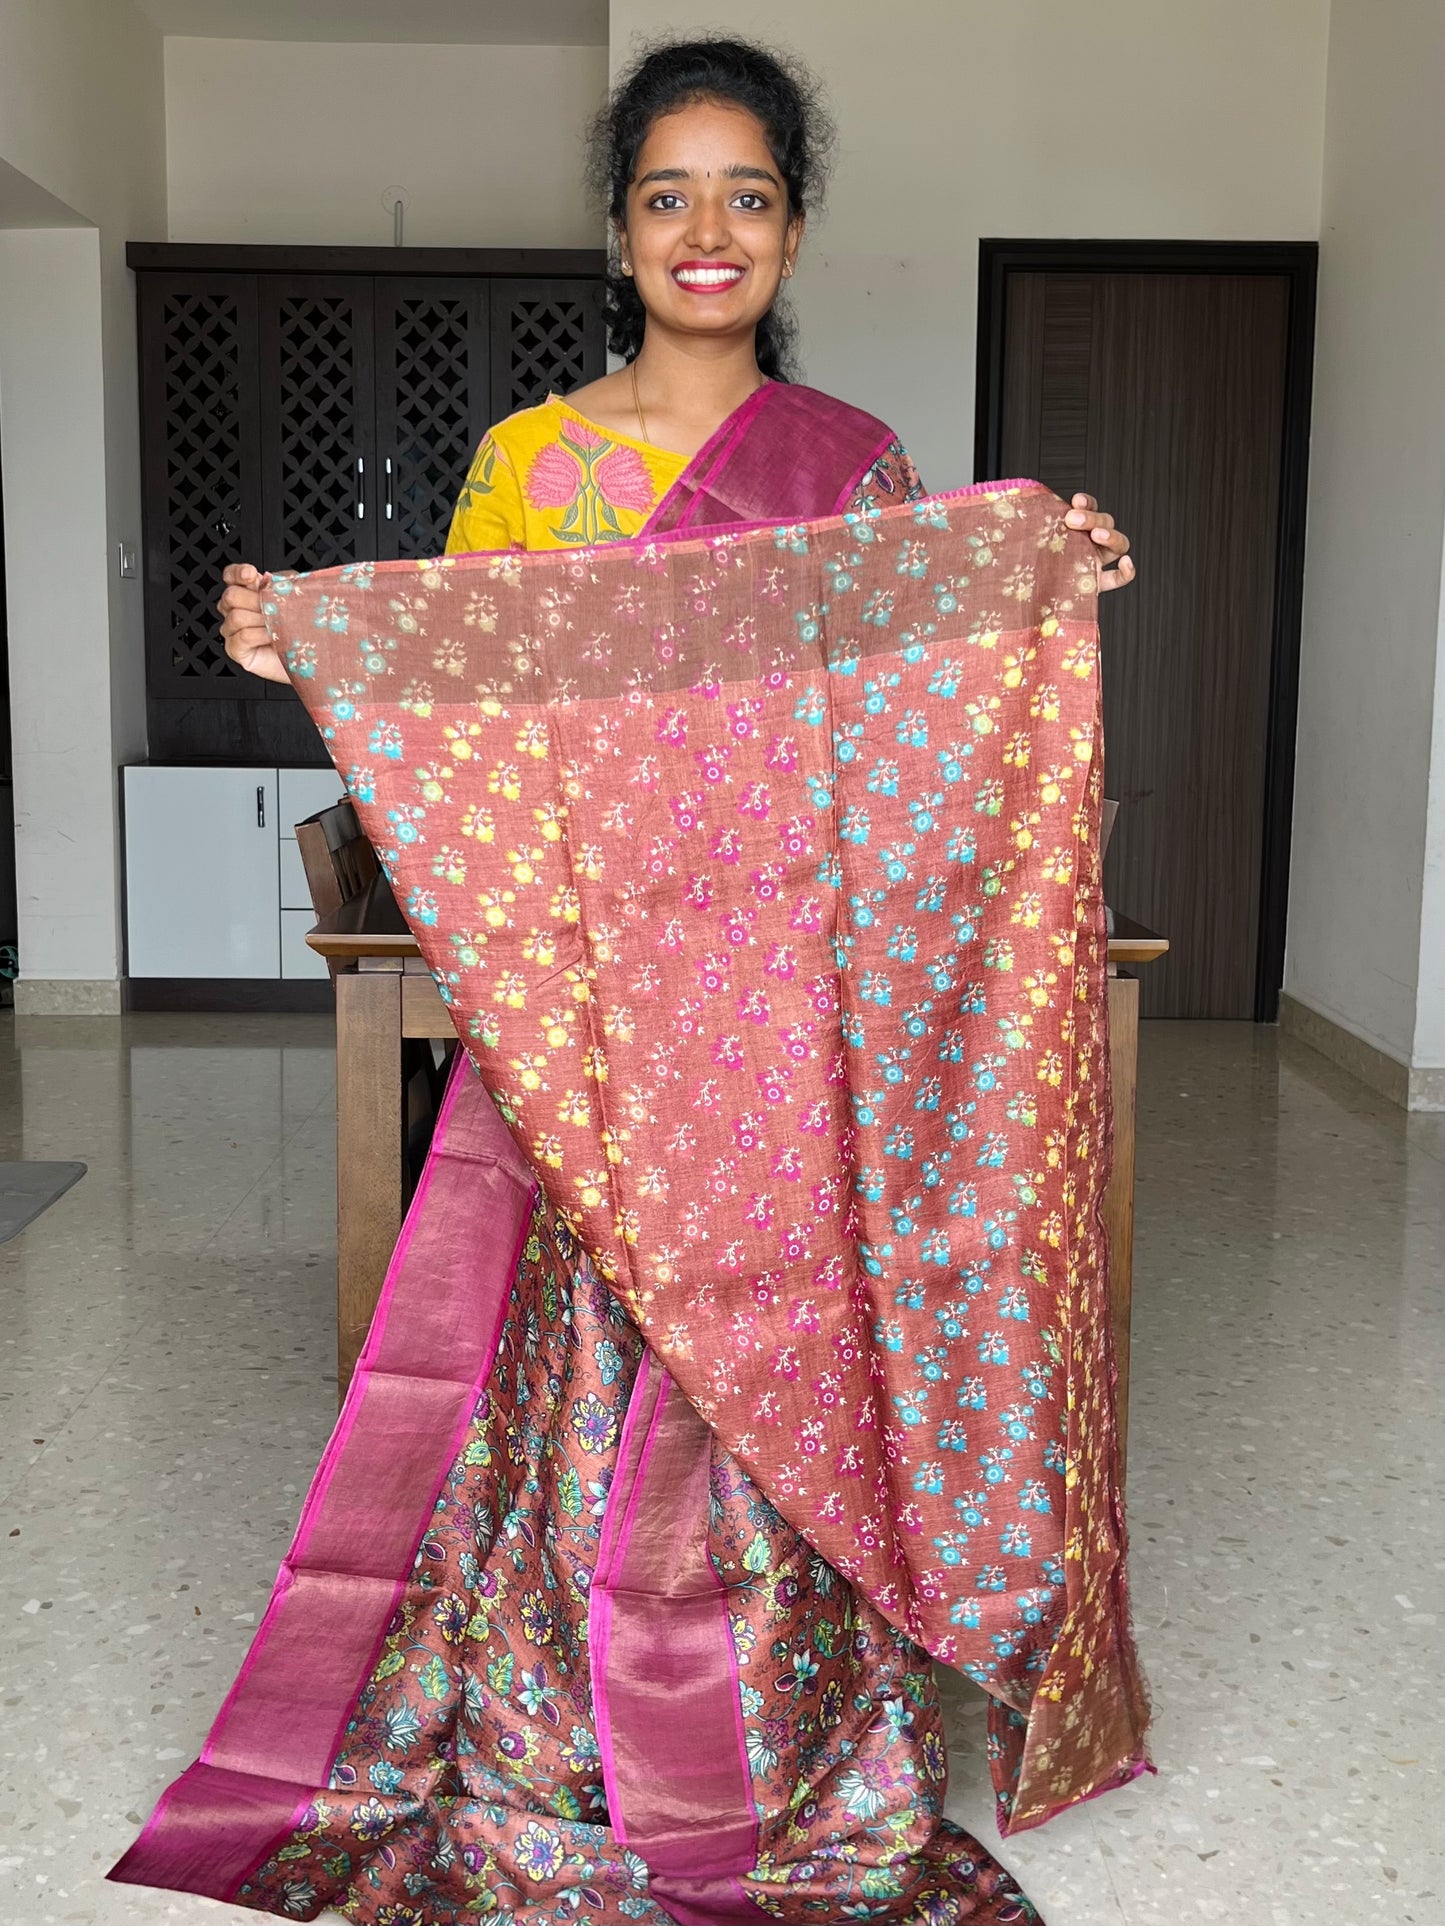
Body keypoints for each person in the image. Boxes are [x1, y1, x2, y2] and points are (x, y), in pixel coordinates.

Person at [198, 36, 1139, 1925]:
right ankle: (565, 1751)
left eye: (747, 197)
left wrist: (1032, 596)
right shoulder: (528, 465)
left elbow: (902, 746)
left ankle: (790, 1750)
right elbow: (462, 728)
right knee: (583, 1382)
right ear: (615, 232)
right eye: (666, 196)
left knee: (772, 1371)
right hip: (589, 1024)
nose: (706, 233)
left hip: (788, 1027)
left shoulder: (851, 472)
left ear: (791, 229)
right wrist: (303, 650)